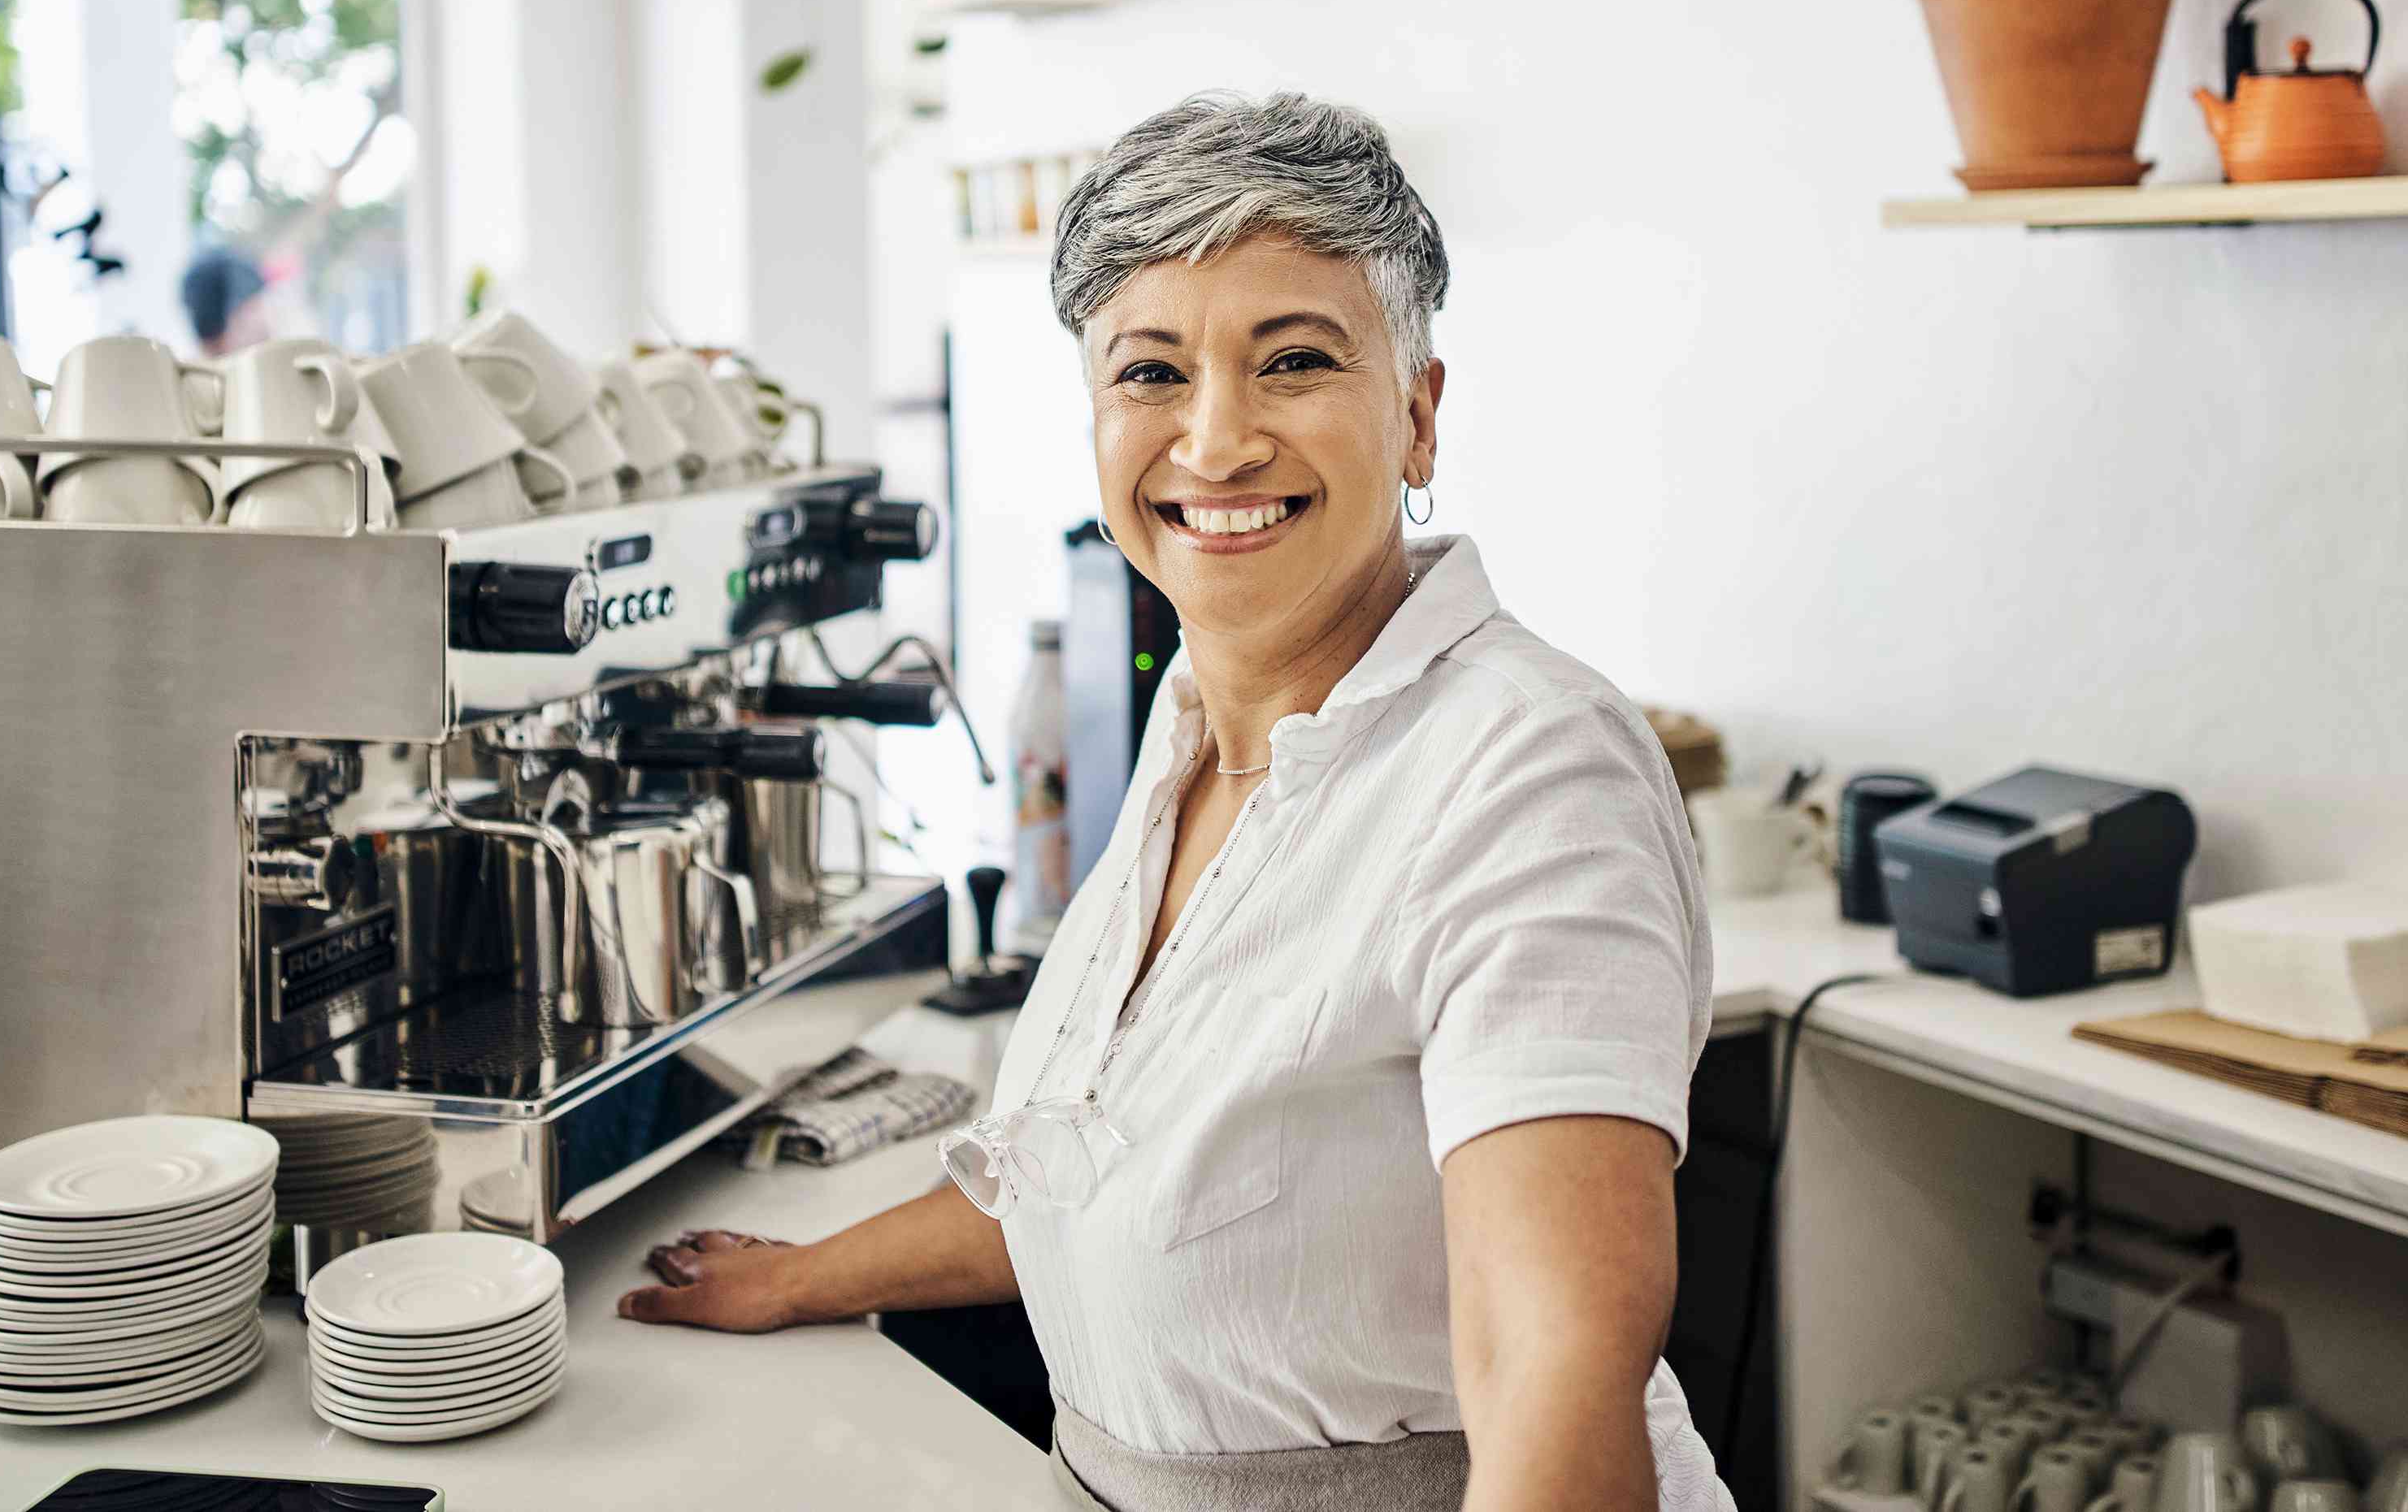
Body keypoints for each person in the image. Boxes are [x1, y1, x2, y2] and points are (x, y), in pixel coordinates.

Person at [622, 93, 1722, 1511]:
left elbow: (1550, 1368)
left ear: (1419, 415)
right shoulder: (1199, 718)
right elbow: (1095, 1173)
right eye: (1151, 374)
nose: (1216, 442)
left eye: (1296, 361)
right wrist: (806, 1281)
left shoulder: (1529, 768)